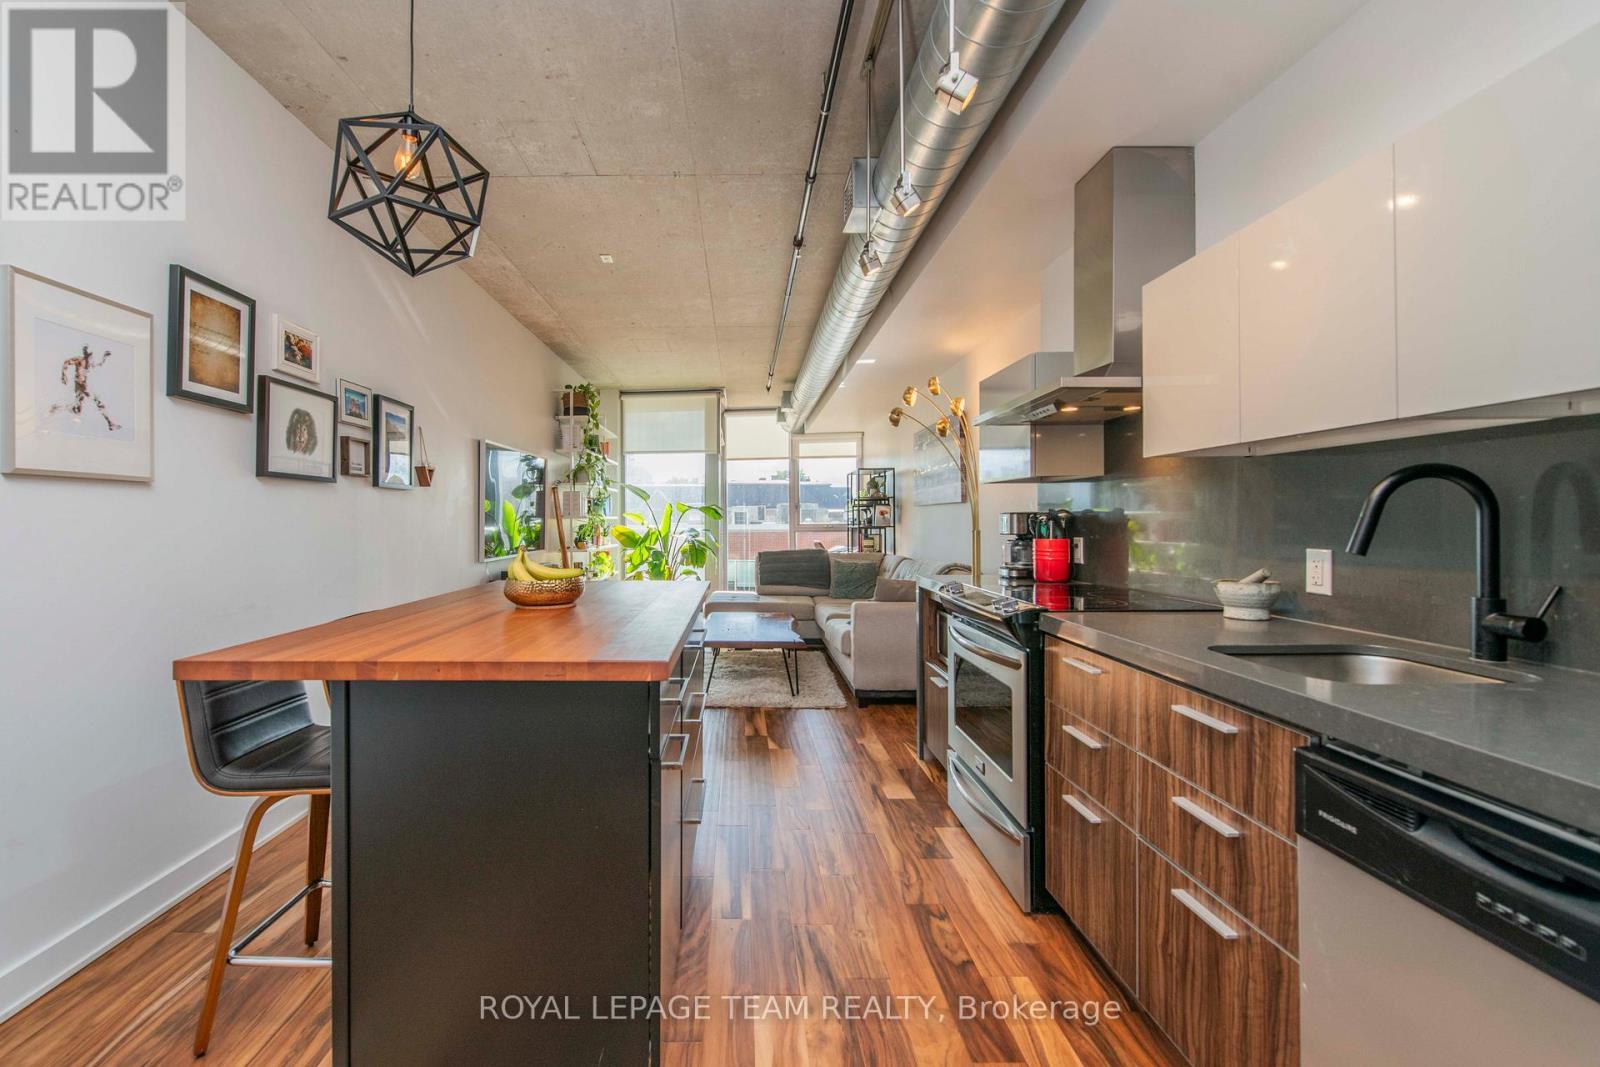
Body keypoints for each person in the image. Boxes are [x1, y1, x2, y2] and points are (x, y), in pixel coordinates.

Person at [48, 345, 120, 432]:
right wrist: (63, 375)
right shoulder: (80, 359)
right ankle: (110, 423)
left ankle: (57, 407)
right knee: (98, 401)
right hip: (81, 385)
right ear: (86, 354)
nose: (92, 357)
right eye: (90, 355)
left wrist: (104, 357)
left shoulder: (89, 362)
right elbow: (66, 362)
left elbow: (98, 364)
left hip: (82, 386)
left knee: (77, 410)